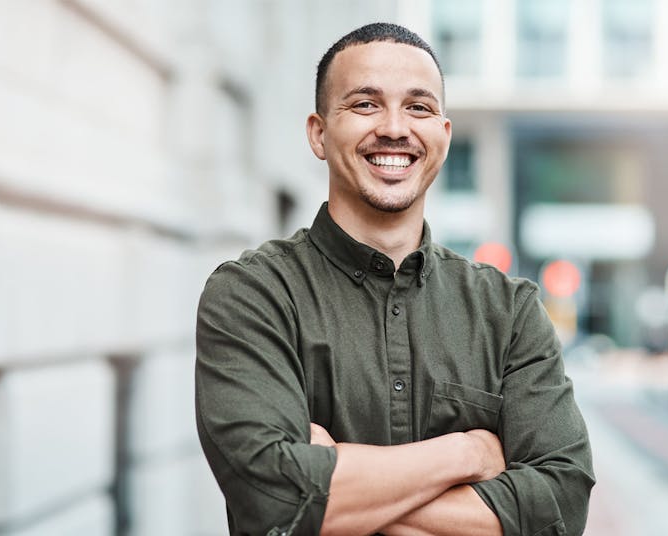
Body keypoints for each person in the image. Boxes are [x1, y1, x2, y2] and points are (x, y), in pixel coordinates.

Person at [195, 22, 594, 536]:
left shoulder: (509, 312)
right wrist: (468, 452)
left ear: (444, 138)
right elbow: (274, 500)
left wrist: (336, 482)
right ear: (318, 133)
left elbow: (560, 505)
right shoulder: (254, 294)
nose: (394, 128)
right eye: (365, 104)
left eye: (419, 107)